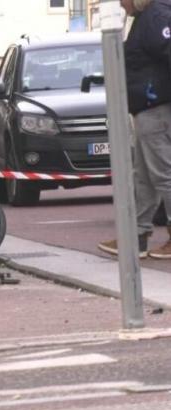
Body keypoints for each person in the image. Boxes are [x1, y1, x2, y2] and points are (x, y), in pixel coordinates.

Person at [98, 0, 171, 260]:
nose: (120, 4)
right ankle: (136, 237)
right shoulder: (149, 17)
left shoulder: (155, 16)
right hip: (148, 108)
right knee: (144, 177)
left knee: (162, 174)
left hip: (155, 108)